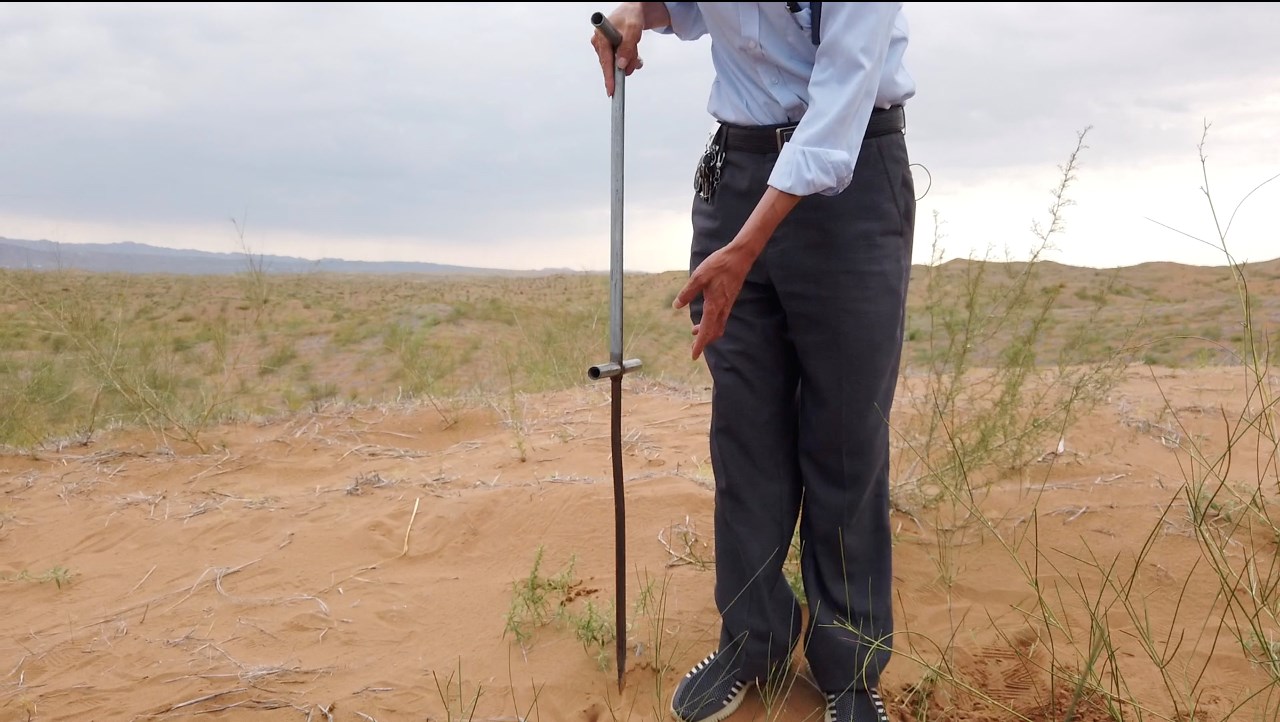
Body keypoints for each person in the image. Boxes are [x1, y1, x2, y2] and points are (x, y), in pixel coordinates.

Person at [590, 3, 915, 721]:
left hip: (851, 179)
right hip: (735, 173)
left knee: (845, 433)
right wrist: (637, 12)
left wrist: (745, 247)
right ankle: (753, 638)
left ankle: (850, 663)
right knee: (745, 430)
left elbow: (841, 101)